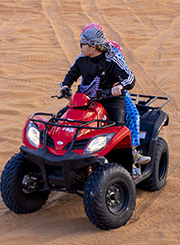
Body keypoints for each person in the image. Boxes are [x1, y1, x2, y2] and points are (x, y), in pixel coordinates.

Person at [59, 24, 150, 176]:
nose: (80, 46)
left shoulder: (112, 59)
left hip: (110, 100)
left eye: (83, 43)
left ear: (94, 46)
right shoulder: (82, 59)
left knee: (118, 129)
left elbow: (130, 77)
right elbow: (72, 73)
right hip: (85, 99)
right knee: (62, 119)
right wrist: (65, 86)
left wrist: (120, 86)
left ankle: (129, 162)